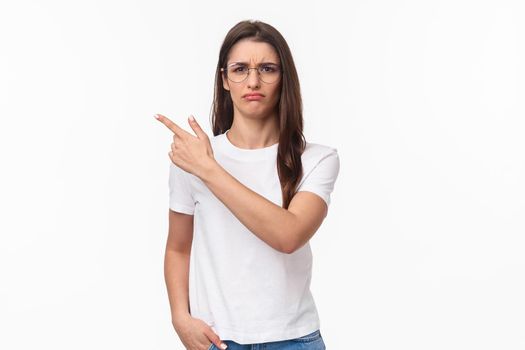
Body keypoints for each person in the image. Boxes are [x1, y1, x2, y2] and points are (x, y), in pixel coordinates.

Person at [157, 19, 340, 350]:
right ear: (224, 79)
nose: (253, 81)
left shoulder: (317, 160)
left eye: (267, 68)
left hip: (293, 339)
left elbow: (288, 235)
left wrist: (209, 170)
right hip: (216, 339)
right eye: (240, 69)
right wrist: (180, 319)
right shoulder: (194, 159)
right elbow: (177, 248)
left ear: (284, 78)